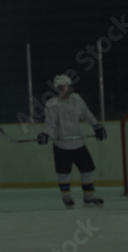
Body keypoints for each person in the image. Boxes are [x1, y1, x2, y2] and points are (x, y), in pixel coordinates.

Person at [37, 75, 106, 208]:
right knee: (64, 173)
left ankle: (89, 197)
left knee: (87, 169)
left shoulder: (77, 99)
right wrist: (46, 134)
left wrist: (96, 126)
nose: (65, 89)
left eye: (67, 86)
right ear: (57, 88)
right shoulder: (52, 104)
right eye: (61, 87)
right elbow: (50, 124)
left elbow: (86, 114)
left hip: (78, 142)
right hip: (61, 145)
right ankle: (66, 198)